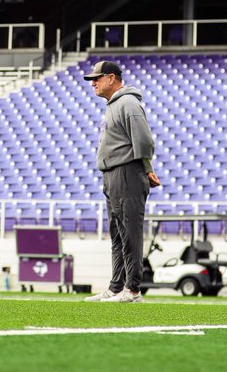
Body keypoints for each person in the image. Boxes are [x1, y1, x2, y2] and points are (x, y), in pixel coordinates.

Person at [81, 60, 159, 304]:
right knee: (117, 234)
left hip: (127, 173)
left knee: (129, 232)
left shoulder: (128, 102)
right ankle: (116, 287)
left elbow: (144, 141)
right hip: (113, 174)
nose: (93, 83)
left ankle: (132, 290)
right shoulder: (113, 104)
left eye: (97, 78)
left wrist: (146, 168)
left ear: (111, 78)